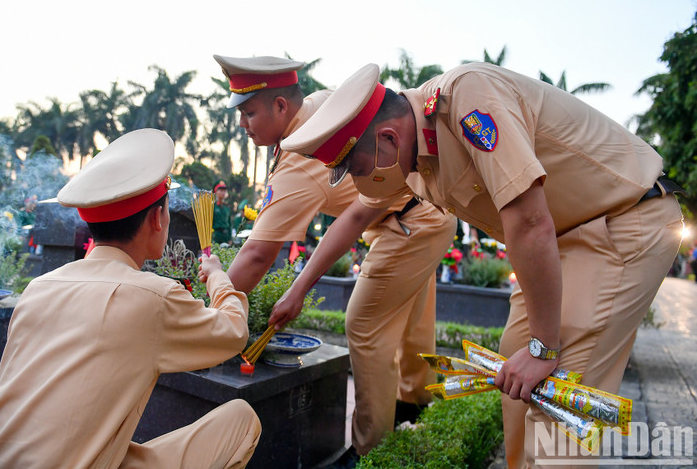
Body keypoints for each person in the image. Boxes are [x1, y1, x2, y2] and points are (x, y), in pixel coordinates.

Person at [280, 62, 684, 468]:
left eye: (359, 169)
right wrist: (298, 290)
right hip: (560, 241)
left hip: (619, 222)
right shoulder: (412, 153)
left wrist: (544, 348)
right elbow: (355, 217)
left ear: (387, 137)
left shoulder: (466, 101)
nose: (359, 180)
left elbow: (528, 220)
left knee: (558, 399)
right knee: (515, 371)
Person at [213, 54, 456, 466]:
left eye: (249, 112)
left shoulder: (298, 159)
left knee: (364, 326)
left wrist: (210, 312)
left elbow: (256, 255)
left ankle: (369, 451)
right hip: (421, 210)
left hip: (409, 222)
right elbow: (352, 215)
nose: (243, 125)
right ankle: (416, 413)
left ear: (280, 106)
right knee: (412, 325)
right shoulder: (321, 104)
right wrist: (295, 288)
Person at [0, 129, 261, 469]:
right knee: (242, 420)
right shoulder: (153, 297)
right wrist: (217, 277)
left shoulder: (37, 288)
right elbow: (233, 331)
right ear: (157, 218)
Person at [213, 180, 232, 245]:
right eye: (221, 190)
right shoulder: (212, 206)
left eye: (224, 191)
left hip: (226, 235)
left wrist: (230, 238)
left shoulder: (227, 207)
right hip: (216, 235)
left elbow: (229, 224)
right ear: (216, 192)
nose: (223, 193)